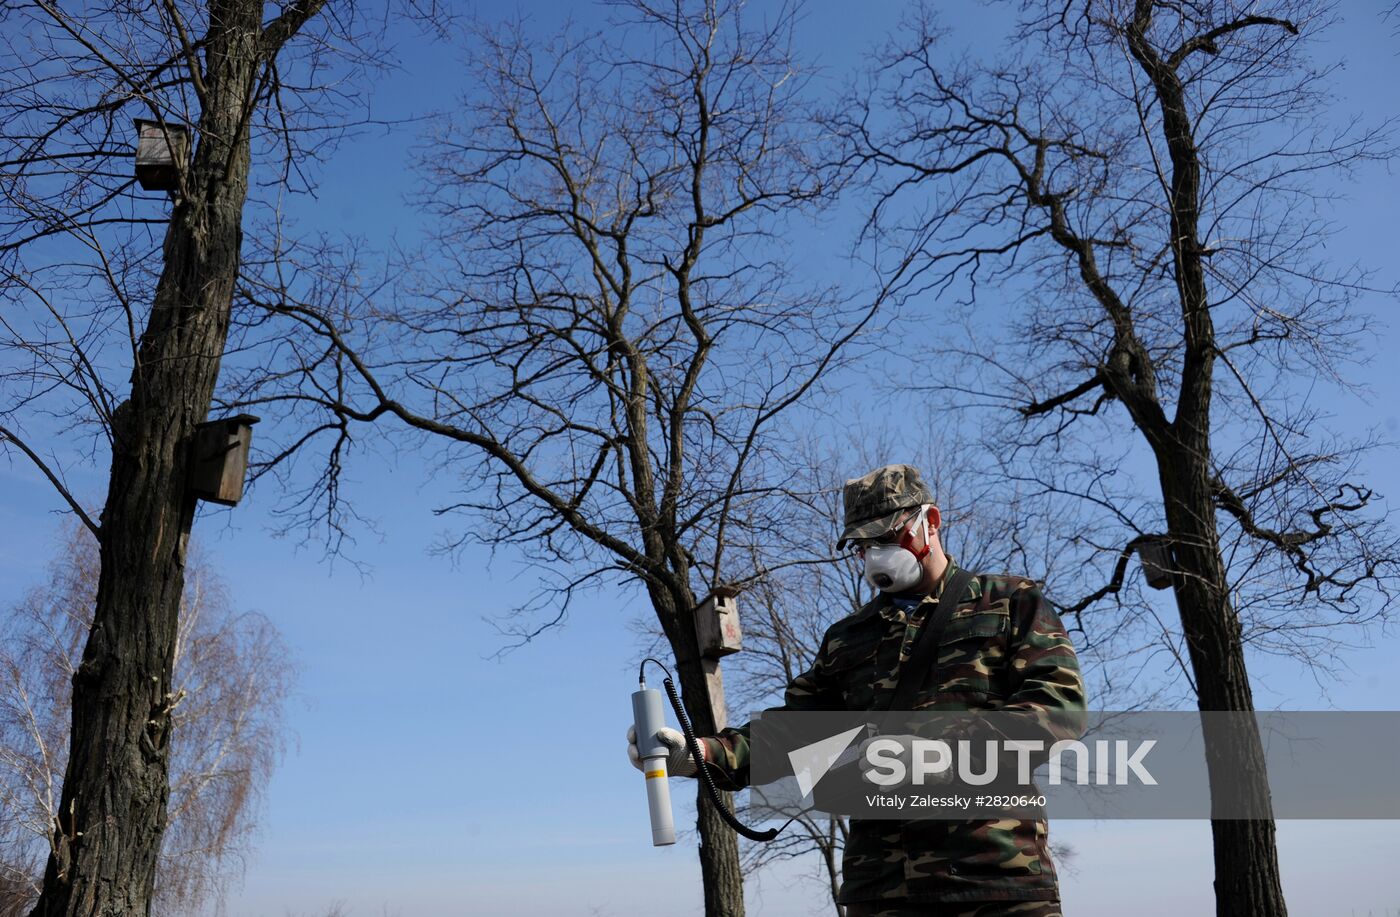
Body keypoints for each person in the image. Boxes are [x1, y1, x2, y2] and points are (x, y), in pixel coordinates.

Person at [628, 464, 1087, 917]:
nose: (875, 555)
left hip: (997, 879)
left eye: (887, 538)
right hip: (882, 890)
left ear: (931, 522)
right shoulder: (848, 637)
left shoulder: (1010, 602)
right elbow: (794, 732)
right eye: (863, 545)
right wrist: (704, 754)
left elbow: (1057, 710)